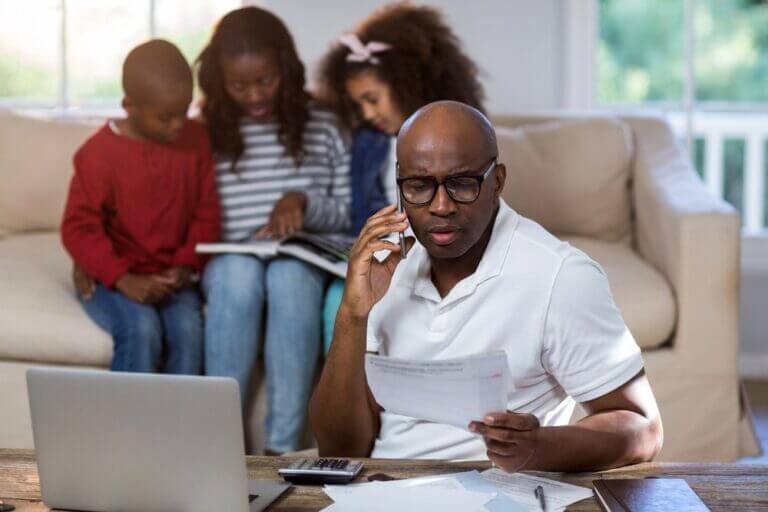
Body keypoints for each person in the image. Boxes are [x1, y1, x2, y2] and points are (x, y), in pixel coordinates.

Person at [309, 101, 664, 472]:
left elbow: (643, 427)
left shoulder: (560, 275)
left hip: (498, 493)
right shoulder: (385, 267)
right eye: (419, 186)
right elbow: (340, 448)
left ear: (497, 182)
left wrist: (539, 446)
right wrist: (353, 314)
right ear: (400, 184)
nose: (441, 205)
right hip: (384, 490)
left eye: (462, 184)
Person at [196, 6, 351, 454]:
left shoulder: (324, 124)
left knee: (287, 277)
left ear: (286, 66)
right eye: (238, 85)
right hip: (231, 257)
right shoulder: (205, 130)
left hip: (299, 258)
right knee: (237, 276)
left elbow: (344, 213)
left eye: (265, 80)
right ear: (218, 80)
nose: (253, 95)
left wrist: (301, 202)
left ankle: (280, 450)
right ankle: (219, 444)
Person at [317, 3, 485, 352]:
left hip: (432, 256)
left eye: (372, 99)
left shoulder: (461, 141)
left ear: (406, 84)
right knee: (340, 301)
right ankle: (355, 400)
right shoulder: (370, 144)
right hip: (381, 258)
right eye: (358, 104)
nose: (367, 113)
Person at [62, 40, 221, 374]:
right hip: (115, 279)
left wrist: (186, 265)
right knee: (141, 329)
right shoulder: (97, 155)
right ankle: (126, 427)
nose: (178, 124)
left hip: (173, 278)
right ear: (129, 105)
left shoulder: (197, 140)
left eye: (184, 111)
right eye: (165, 118)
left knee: (188, 332)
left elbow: (207, 212)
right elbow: (79, 227)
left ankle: (182, 425)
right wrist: (122, 278)